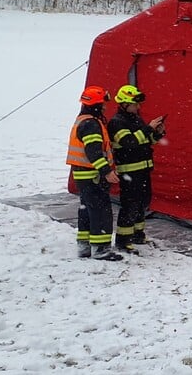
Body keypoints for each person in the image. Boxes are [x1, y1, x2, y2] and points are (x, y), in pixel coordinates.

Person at [108, 85, 165, 254]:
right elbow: (129, 142)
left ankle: (137, 234)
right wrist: (148, 128)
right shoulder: (117, 122)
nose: (138, 107)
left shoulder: (135, 119)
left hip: (143, 170)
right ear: (124, 103)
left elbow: (145, 141)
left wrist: (157, 133)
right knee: (130, 205)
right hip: (129, 172)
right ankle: (123, 241)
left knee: (142, 203)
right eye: (135, 104)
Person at [68, 86, 122, 261]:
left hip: (83, 174)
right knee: (100, 210)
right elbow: (94, 152)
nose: (106, 107)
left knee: (87, 209)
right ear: (97, 105)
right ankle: (101, 249)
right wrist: (106, 171)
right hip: (93, 175)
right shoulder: (91, 124)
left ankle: (84, 245)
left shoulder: (82, 120)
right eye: (103, 104)